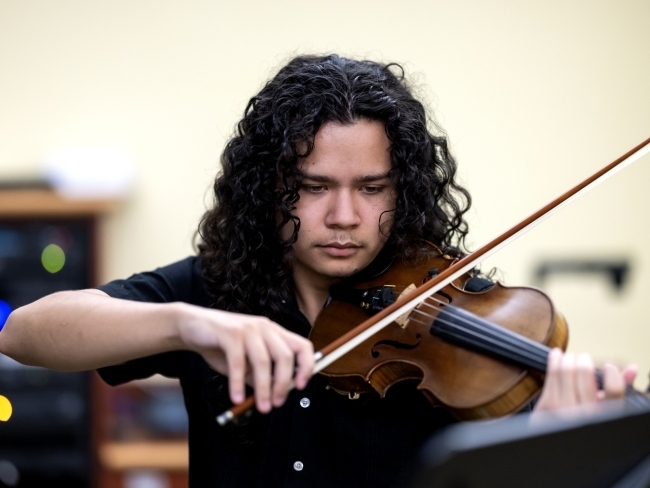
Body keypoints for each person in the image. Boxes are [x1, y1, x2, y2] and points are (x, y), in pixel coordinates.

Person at [0, 54, 635, 487]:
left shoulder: (449, 328)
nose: (344, 216)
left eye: (372, 187)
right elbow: (24, 332)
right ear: (269, 188)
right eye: (313, 186)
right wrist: (186, 326)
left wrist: (556, 446)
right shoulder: (214, 291)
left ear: (403, 191)